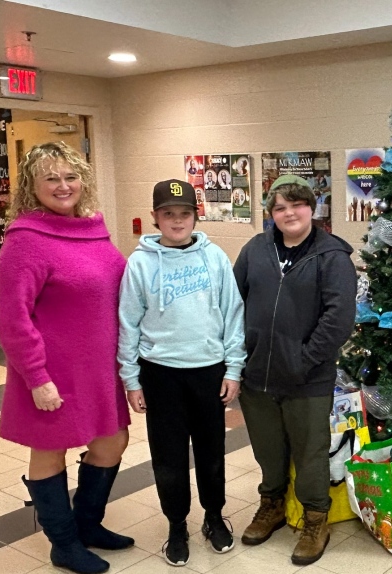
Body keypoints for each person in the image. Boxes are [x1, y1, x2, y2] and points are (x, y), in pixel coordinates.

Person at [0, 142, 132, 574]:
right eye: (51, 178)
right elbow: (11, 317)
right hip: (51, 373)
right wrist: (37, 376)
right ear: (32, 187)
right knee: (51, 451)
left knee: (113, 442)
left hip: (100, 369)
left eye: (70, 176)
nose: (63, 185)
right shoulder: (26, 241)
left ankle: (87, 524)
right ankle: (63, 544)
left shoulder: (93, 228)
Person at [117, 179, 246, 567]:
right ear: (156, 217)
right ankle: (176, 524)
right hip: (161, 375)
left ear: (195, 215)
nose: (177, 221)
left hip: (208, 371)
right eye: (168, 214)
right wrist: (131, 378)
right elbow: (128, 324)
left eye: (184, 213)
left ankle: (212, 516)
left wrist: (234, 367)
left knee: (211, 452)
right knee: (169, 457)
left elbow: (233, 315)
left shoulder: (215, 258)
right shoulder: (139, 263)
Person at [233, 174, 357, 566]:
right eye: (280, 207)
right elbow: (234, 302)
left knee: (310, 455)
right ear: (271, 214)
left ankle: (315, 520)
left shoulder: (332, 256)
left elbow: (338, 320)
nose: (289, 213)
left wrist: (302, 361)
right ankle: (270, 505)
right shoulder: (255, 250)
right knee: (268, 451)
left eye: (297, 205)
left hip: (308, 378)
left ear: (312, 208)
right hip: (258, 377)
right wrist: (242, 357)